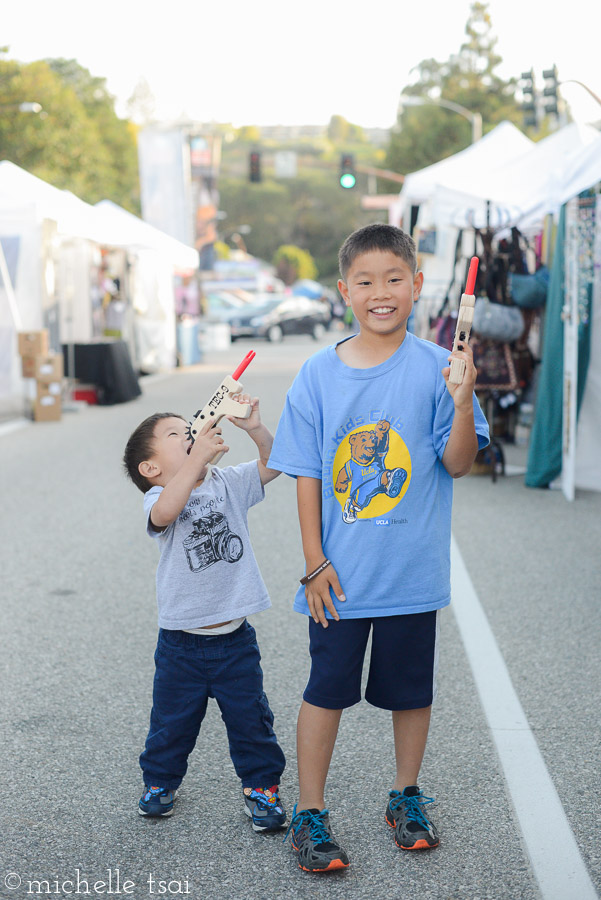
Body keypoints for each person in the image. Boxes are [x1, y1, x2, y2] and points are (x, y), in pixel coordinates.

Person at [269, 223, 489, 872]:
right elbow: (306, 476)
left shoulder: (437, 367)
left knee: (410, 693)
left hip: (410, 573)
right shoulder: (315, 375)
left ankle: (405, 795)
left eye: (394, 279)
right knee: (324, 690)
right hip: (338, 576)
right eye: (364, 282)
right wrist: (313, 562)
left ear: (417, 285)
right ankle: (309, 811)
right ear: (344, 291)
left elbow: (458, 464)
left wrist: (462, 396)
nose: (380, 293)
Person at [122, 395, 286, 830]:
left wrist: (253, 426)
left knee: (252, 720)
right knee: (171, 723)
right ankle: (160, 781)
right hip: (180, 644)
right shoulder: (159, 495)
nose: (188, 434)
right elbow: (165, 513)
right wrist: (195, 463)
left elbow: (276, 461)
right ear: (151, 468)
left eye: (187, 427)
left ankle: (262, 787)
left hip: (235, 640)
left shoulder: (227, 482)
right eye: (175, 435)